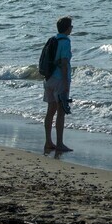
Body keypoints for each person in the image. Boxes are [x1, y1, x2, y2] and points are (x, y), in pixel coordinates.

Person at [43, 16, 74, 155]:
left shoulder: (53, 40)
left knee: (50, 110)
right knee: (61, 112)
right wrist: (66, 83)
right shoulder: (65, 42)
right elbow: (64, 62)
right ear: (67, 28)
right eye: (71, 26)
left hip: (48, 79)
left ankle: (48, 141)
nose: (72, 28)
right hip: (59, 80)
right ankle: (60, 143)